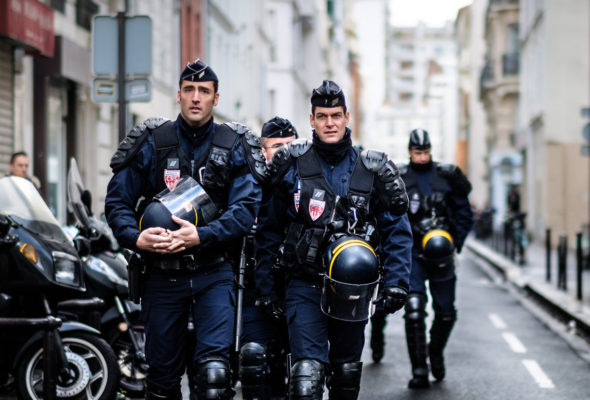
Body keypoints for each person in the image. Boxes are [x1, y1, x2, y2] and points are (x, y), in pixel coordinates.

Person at [105, 59, 265, 400]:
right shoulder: (153, 140)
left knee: (214, 377)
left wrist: (202, 235)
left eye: (204, 91)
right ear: (178, 95)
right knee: (161, 380)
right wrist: (136, 237)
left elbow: (244, 210)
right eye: (189, 90)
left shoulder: (233, 143)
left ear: (215, 98)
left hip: (214, 273)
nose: (196, 97)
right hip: (162, 276)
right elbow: (117, 202)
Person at [255, 80, 413, 400]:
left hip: (353, 290)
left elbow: (397, 229)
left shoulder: (370, 168)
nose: (330, 123)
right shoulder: (291, 165)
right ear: (311, 120)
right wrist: (267, 287)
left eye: (336, 115)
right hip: (304, 283)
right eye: (322, 116)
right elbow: (268, 230)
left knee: (345, 376)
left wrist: (397, 282)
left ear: (346, 117)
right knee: (306, 378)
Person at [397, 128, 473, 389]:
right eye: (417, 152)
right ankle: (419, 370)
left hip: (442, 252)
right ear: (410, 151)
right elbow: (390, 215)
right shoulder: (399, 178)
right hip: (413, 254)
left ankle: (435, 352)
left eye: (426, 152)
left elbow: (464, 212)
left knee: (446, 313)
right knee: (414, 310)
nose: (422, 156)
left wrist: (455, 243)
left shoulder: (447, 176)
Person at [239, 116, 297, 400]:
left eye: (290, 145)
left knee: (301, 369)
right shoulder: (249, 183)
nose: (285, 152)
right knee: (254, 358)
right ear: (263, 152)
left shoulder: (307, 183)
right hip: (254, 286)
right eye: (277, 146)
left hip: (297, 285)